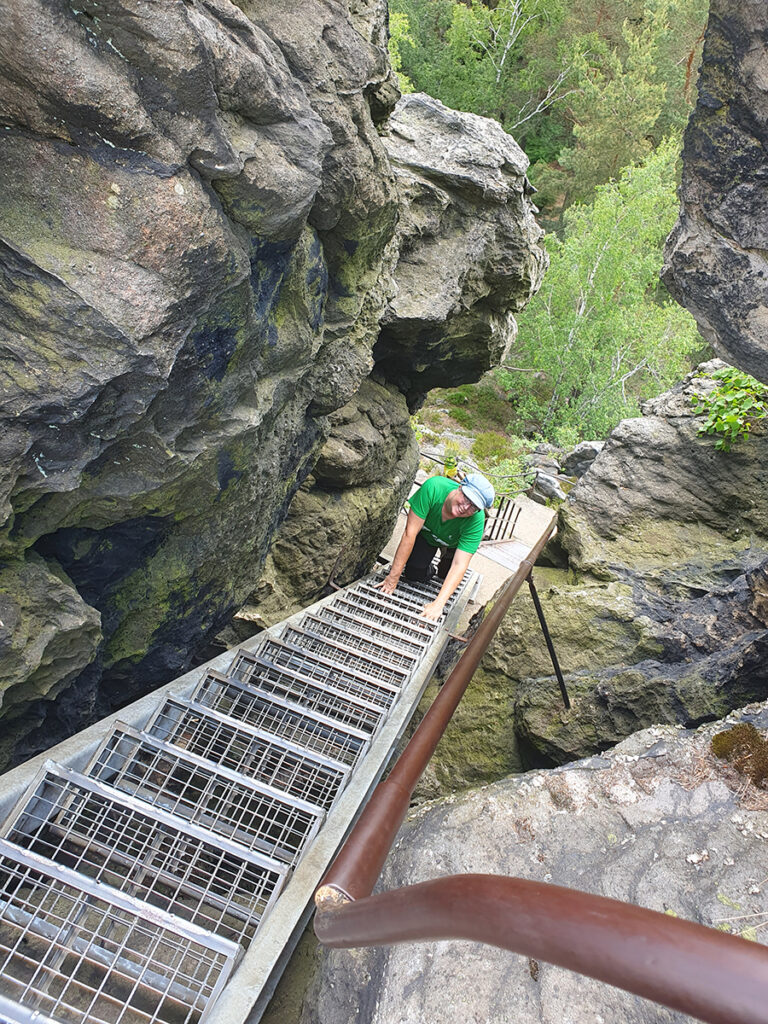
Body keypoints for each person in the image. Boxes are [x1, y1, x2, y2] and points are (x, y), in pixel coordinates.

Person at [378, 472, 495, 621]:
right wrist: (392, 578)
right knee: (413, 573)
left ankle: (442, 565)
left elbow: (459, 564)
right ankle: (429, 568)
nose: (466, 507)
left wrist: (438, 604)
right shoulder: (434, 488)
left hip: (453, 545)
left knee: (445, 575)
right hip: (427, 536)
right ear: (459, 487)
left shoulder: (476, 521)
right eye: (466, 498)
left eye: (474, 506)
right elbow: (409, 534)